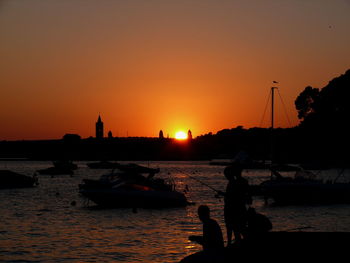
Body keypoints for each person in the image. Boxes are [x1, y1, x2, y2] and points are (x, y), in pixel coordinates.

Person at [221, 163, 251, 245]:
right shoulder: (241, 181)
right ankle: (234, 243)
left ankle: (230, 244)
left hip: (233, 209)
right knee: (239, 228)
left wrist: (223, 194)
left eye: (226, 174)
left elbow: (233, 196)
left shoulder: (234, 183)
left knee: (235, 228)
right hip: (239, 208)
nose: (226, 176)